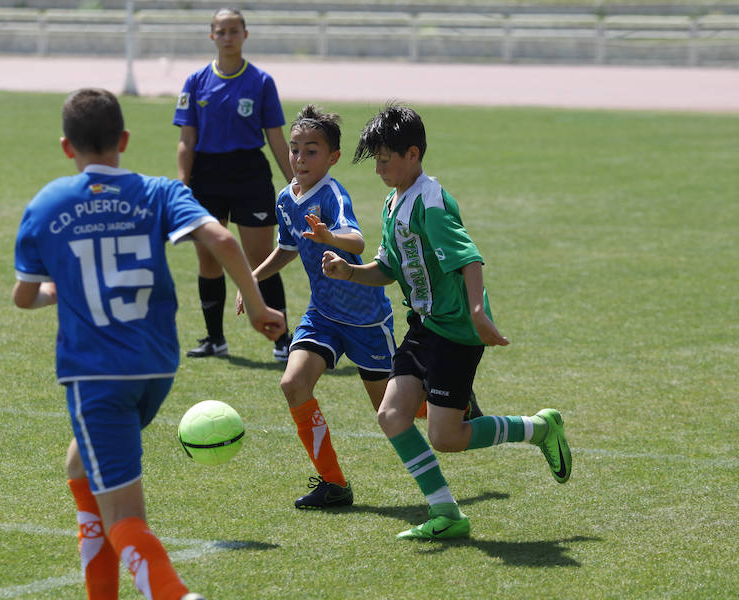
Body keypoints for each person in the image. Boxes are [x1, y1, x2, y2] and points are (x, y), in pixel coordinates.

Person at [12, 88, 285, 599]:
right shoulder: (158, 191)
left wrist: (55, 290)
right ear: (125, 140)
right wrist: (260, 307)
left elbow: (26, 295)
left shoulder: (47, 203)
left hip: (96, 374)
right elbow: (223, 240)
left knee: (124, 516)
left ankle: (175, 594)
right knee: (80, 464)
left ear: (67, 147)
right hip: (155, 365)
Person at [321, 103, 572, 540]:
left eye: (385, 160)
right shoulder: (393, 201)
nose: (378, 168)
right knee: (392, 416)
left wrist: (477, 313)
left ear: (413, 154)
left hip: (456, 332)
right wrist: (350, 272)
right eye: (376, 160)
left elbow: (468, 258)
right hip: (423, 327)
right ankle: (447, 513)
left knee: (446, 437)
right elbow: (389, 268)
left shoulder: (431, 203)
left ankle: (540, 428)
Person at [237, 105, 395, 509]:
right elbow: (288, 248)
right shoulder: (286, 198)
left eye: (311, 151)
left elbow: (357, 243)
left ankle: (457, 404)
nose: (300, 159)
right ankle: (334, 484)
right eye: (294, 149)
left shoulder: (332, 194)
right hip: (322, 315)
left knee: (396, 414)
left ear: (332, 158)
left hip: (365, 319)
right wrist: (251, 279)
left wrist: (330, 237)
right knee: (292, 384)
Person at [173, 7, 294, 361]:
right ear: (212, 36)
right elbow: (186, 139)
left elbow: (275, 137)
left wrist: (297, 183)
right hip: (206, 176)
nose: (227, 37)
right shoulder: (195, 82)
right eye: (221, 31)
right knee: (208, 257)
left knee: (261, 257)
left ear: (245, 34)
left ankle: (282, 340)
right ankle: (214, 339)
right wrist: (183, 183)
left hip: (249, 174)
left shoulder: (261, 82)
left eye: (233, 30)